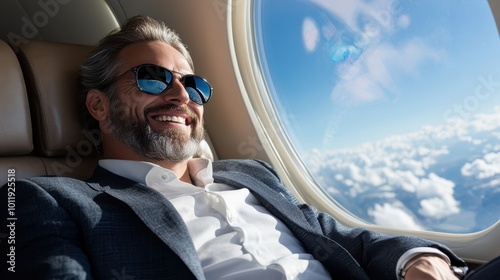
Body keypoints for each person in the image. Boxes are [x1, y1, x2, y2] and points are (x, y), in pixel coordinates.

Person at [0, 15, 495, 280]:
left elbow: (344, 237)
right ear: (99, 105)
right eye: (152, 78)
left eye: (194, 85)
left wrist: (418, 262)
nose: (180, 95)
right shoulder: (47, 201)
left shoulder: (252, 174)